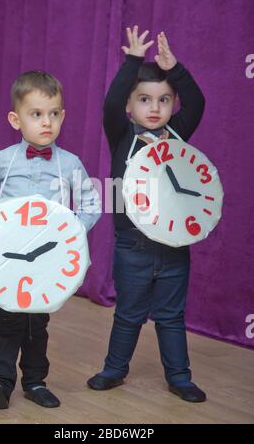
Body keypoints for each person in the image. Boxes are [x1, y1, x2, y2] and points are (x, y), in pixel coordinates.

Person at [87, 26, 206, 402]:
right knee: (129, 313)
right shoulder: (121, 133)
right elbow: (109, 104)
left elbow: (198, 103)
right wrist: (133, 62)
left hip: (173, 246)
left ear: (172, 105)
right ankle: (114, 369)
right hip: (132, 246)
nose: (154, 108)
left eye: (164, 100)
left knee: (171, 316)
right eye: (144, 99)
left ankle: (180, 377)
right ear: (129, 105)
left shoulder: (177, 135)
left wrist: (176, 70)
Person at [0, 70, 101, 409]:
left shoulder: (70, 164)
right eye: (37, 114)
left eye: (54, 114)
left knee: (36, 322)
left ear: (63, 116)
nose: (47, 122)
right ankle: (0, 381)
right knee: (7, 319)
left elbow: (91, 203)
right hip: (6, 258)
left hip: (47, 259)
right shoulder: (3, 160)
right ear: (16, 119)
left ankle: (35, 381)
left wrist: (72, 232)